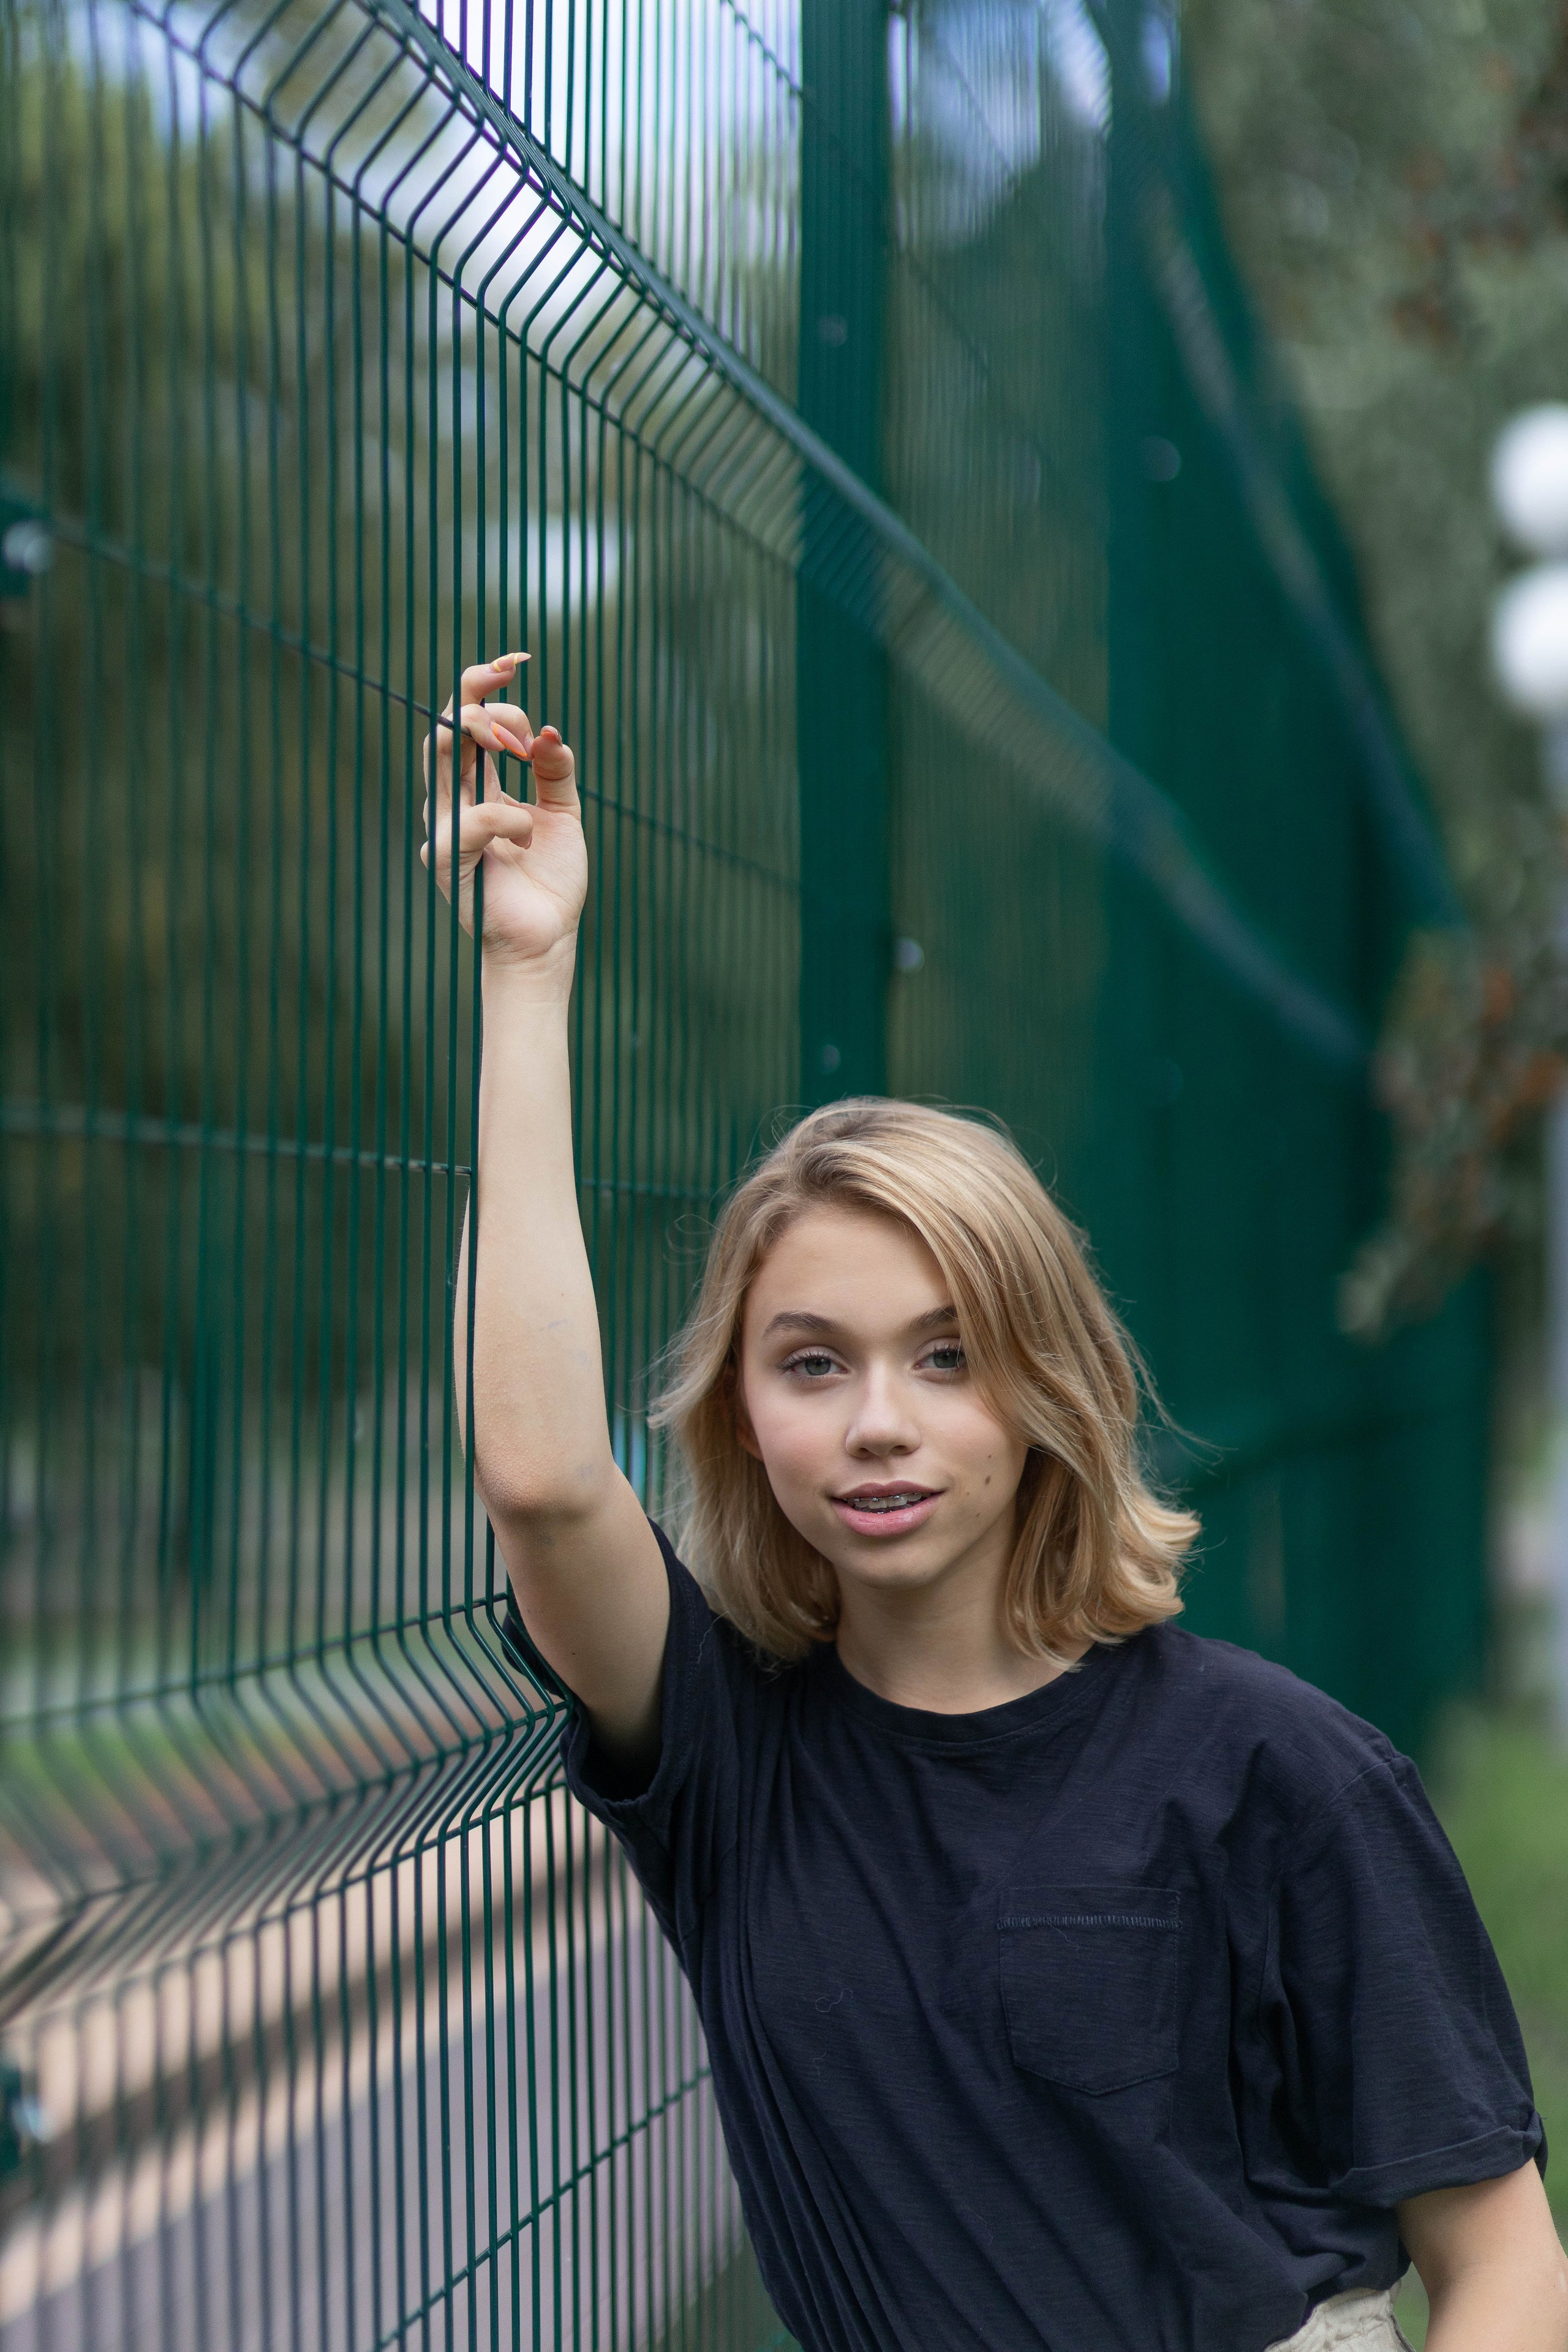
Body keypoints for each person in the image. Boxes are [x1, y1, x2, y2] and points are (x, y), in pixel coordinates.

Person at [423, 655, 1568, 2352]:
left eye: (948, 1359)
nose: (881, 1423)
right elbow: (537, 1478)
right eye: (812, 1364)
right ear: (743, 1416)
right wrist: (529, 974)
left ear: (1046, 1391)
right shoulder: (733, 1758)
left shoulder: (1285, 1774)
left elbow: (1503, 2263)